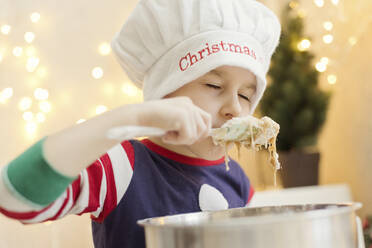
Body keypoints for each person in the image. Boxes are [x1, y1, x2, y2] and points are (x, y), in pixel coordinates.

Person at [0, 0, 281, 247]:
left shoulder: (237, 180)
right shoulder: (121, 167)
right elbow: (14, 197)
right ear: (164, 94)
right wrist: (134, 117)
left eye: (245, 95)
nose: (235, 108)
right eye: (213, 84)